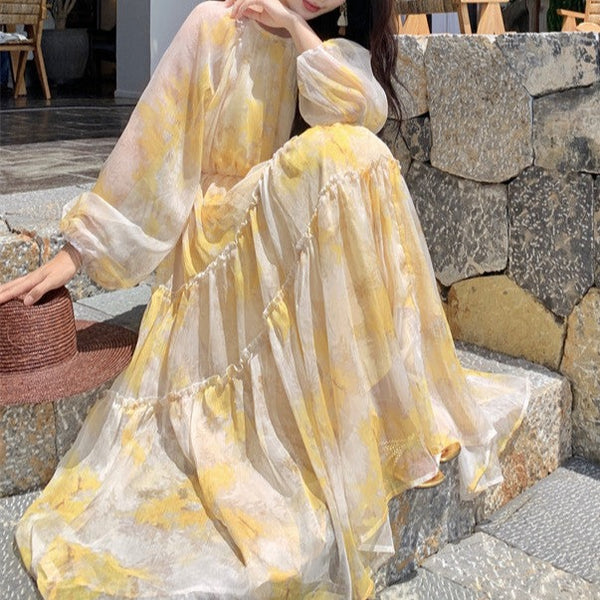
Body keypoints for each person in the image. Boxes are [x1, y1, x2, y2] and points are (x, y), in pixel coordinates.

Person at [0, 0, 529, 597]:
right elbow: (153, 144)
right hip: (215, 240)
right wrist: (79, 253)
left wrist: (296, 28)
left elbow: (363, 111)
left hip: (272, 238)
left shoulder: (322, 46)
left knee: (357, 152)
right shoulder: (217, 23)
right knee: (341, 154)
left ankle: (372, 391)